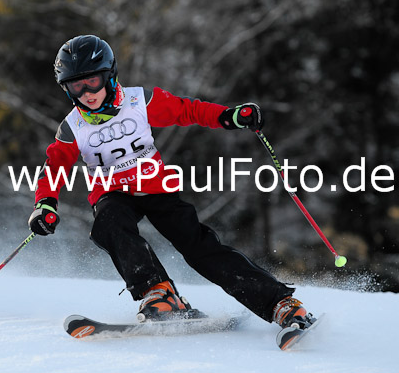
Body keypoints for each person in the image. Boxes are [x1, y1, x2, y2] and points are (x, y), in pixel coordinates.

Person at [28, 34, 313, 330]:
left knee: (199, 248)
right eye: (77, 85)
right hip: (112, 193)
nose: (87, 92)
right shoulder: (73, 127)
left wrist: (228, 117)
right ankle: (159, 293)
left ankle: (281, 304)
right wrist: (45, 203)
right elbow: (54, 166)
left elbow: (187, 110)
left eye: (93, 82)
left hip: (156, 188)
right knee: (109, 223)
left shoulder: (139, 102)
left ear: (109, 76)